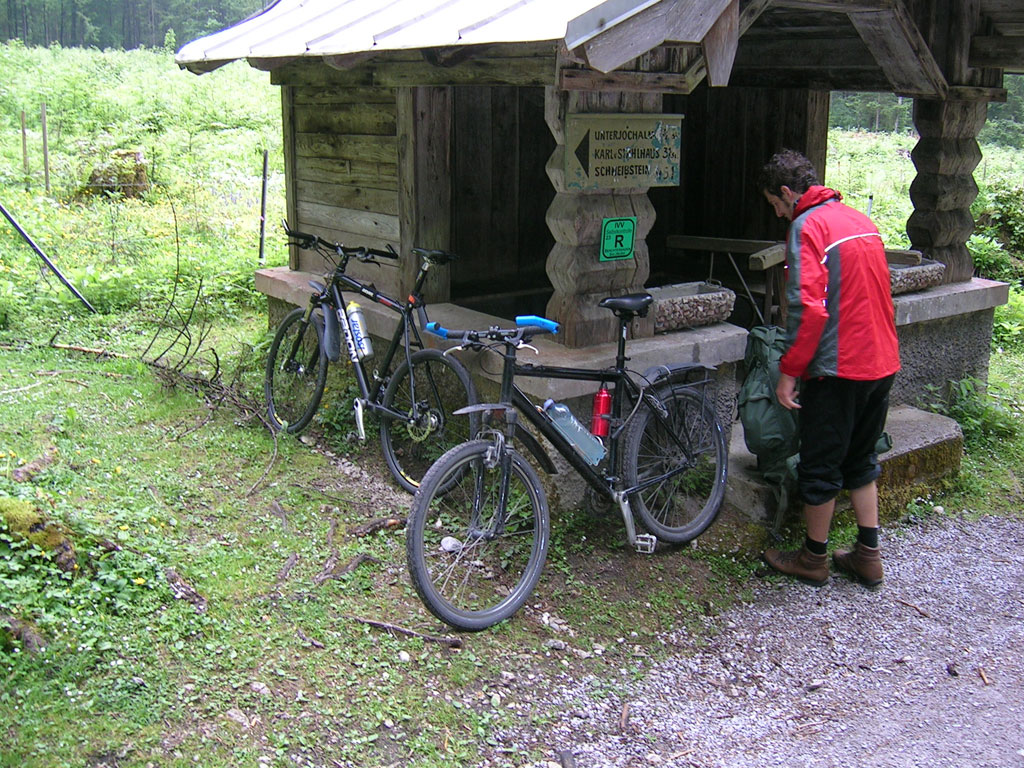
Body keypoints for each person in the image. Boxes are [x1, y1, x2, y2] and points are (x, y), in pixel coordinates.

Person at [756, 149, 900, 587]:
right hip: (882, 360)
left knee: (820, 462)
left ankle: (813, 559)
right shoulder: (858, 220)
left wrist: (788, 371)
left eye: (776, 205)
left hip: (839, 367)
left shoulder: (807, 226)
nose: (779, 214)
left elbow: (809, 308)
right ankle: (867, 555)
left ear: (786, 193)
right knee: (861, 458)